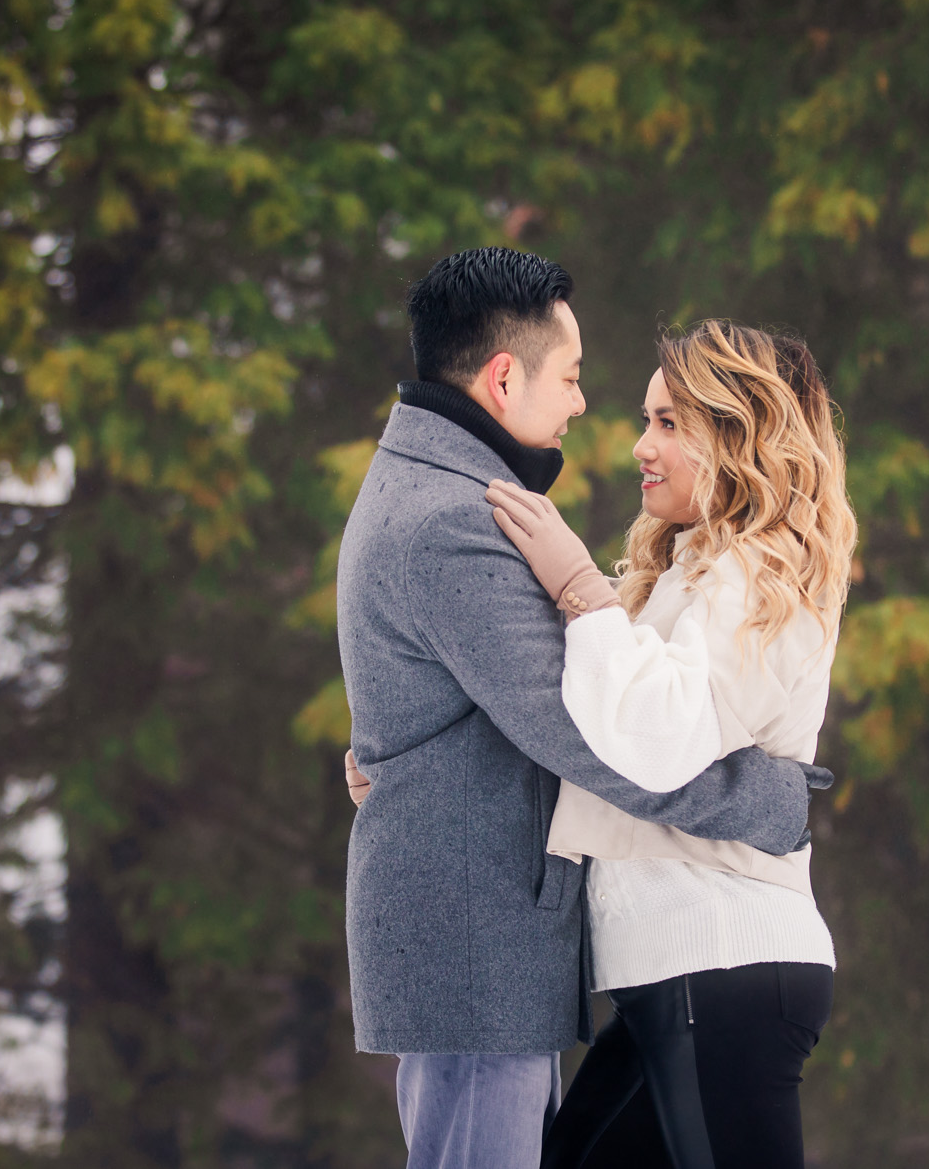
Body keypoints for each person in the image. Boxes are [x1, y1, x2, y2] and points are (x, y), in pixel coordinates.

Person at [336, 249, 828, 1169]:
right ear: (502, 375)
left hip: (677, 960)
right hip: (485, 951)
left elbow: (601, 705)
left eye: (663, 421)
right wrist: (771, 803)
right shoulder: (459, 515)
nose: (581, 406)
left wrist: (402, 755)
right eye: (570, 377)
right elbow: (596, 736)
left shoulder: (436, 491)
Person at [481, 319, 856, 1169]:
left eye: (670, 422)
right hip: (676, 978)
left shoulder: (764, 572)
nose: (641, 445)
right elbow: (583, 726)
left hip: (726, 966)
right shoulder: (690, 567)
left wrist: (582, 589)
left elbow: (658, 737)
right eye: (647, 418)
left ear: (739, 435)